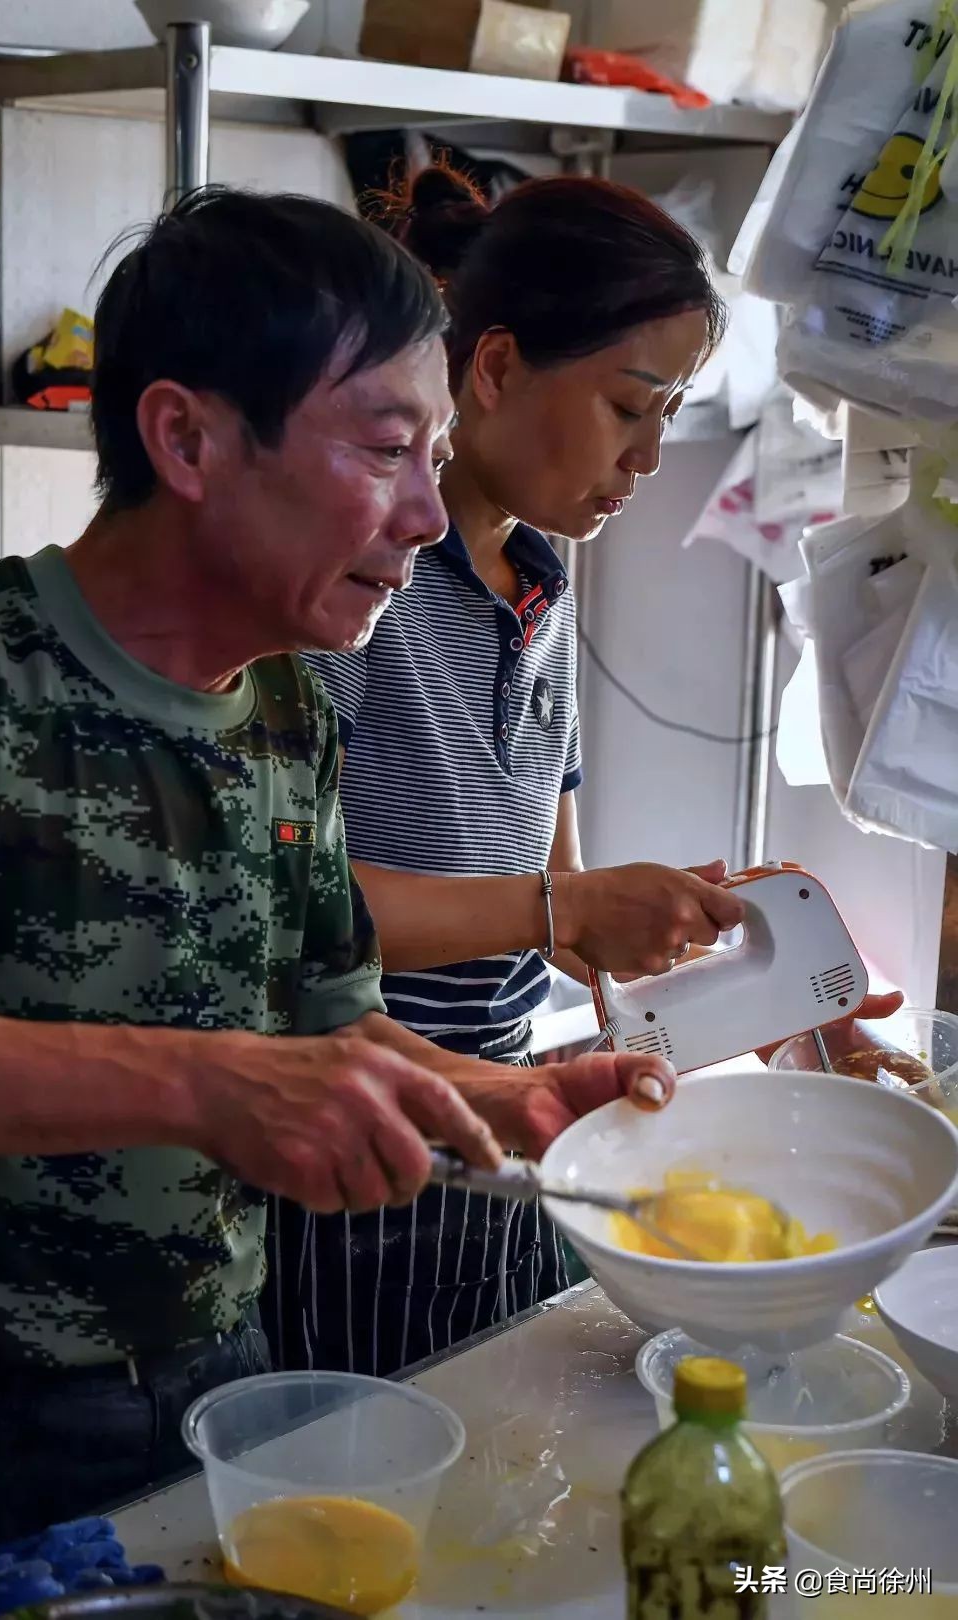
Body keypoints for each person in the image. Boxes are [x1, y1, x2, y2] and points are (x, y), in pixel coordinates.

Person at [0, 186, 677, 1570]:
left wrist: (511, 1097)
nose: (430, 515)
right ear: (186, 437)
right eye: (385, 450)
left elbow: (321, 1020)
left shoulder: (286, 708)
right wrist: (206, 1084)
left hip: (228, 1373)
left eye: (437, 454)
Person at [266, 166, 901, 1376]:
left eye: (670, 415)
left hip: (497, 1137)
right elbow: (289, 912)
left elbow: (553, 914)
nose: (653, 457)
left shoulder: (544, 587)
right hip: (352, 1144)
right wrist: (566, 907)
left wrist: (741, 965)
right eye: (630, 406)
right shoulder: (355, 592)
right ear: (494, 370)